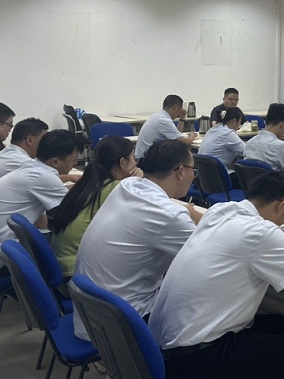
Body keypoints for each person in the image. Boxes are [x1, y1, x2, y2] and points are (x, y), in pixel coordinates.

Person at [149, 171, 284, 379]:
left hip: (162, 349)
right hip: (196, 359)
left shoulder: (219, 211)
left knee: (276, 324)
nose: (282, 221)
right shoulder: (262, 231)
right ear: (282, 206)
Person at [73, 140, 203, 340]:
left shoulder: (127, 186)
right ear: (180, 171)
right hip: (123, 325)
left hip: (92, 313)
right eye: (193, 170)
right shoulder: (169, 215)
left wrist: (185, 212)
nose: (193, 176)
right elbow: (209, 255)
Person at [0, 130, 84, 278]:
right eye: (74, 160)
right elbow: (75, 211)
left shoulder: (32, 168)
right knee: (73, 240)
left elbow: (53, 197)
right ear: (56, 161)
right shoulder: (43, 177)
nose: (75, 163)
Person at [51, 136, 142, 279]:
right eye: (134, 158)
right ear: (123, 162)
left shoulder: (90, 181)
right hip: (76, 272)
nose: (135, 164)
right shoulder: (116, 188)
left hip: (62, 264)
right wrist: (137, 180)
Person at [0, 118, 52, 208]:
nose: (47, 144)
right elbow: (51, 184)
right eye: (44, 140)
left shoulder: (9, 153)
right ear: (30, 139)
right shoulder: (21, 161)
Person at [135, 95, 197, 159]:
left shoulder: (159, 116)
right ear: (175, 107)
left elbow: (176, 135)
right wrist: (192, 136)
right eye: (180, 109)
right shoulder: (164, 121)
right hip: (145, 160)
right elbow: (186, 142)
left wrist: (182, 118)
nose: (179, 113)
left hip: (144, 157)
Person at [198, 106, 246, 178]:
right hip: (218, 177)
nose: (238, 127)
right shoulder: (228, 134)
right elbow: (246, 151)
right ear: (234, 121)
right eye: (239, 124)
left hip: (203, 176)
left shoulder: (213, 129)